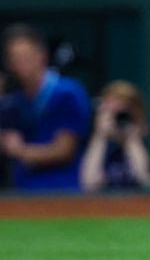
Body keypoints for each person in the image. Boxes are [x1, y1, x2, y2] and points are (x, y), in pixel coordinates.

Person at [0, 24, 92, 192]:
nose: (20, 65)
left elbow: (64, 151)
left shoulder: (68, 93)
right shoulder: (13, 100)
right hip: (20, 191)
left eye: (25, 57)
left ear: (41, 56)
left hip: (62, 192)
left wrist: (20, 151)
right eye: (14, 59)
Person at [79, 80, 150, 192]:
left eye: (123, 114)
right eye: (113, 113)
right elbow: (89, 183)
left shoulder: (146, 140)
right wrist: (100, 136)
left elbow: (142, 178)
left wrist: (131, 139)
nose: (118, 119)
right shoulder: (100, 145)